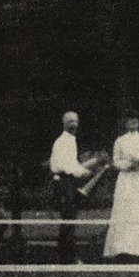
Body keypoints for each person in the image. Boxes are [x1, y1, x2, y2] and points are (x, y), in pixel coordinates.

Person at [49, 111, 100, 263]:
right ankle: (67, 257)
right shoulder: (62, 141)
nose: (74, 124)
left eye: (76, 121)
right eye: (70, 121)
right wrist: (84, 172)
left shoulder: (71, 140)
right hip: (64, 182)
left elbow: (73, 165)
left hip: (68, 181)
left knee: (70, 219)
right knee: (68, 219)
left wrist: (87, 169)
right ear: (63, 122)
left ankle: (65, 256)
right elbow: (65, 167)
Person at [103, 112, 139, 260]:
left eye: (135, 121)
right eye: (129, 121)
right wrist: (128, 165)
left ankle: (137, 251)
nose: (132, 123)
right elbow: (116, 161)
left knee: (138, 210)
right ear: (126, 124)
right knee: (123, 209)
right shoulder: (120, 140)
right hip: (126, 179)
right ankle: (120, 249)